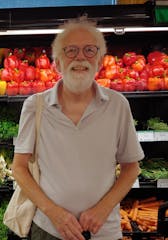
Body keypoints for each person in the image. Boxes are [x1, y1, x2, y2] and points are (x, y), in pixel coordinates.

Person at [11, 17, 144, 240]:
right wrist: (54, 213)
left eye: (90, 50)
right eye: (70, 50)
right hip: (49, 230)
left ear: (100, 61)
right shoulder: (35, 106)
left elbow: (131, 168)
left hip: (103, 231)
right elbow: (19, 168)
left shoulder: (117, 105)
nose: (80, 57)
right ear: (57, 63)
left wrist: (103, 209)